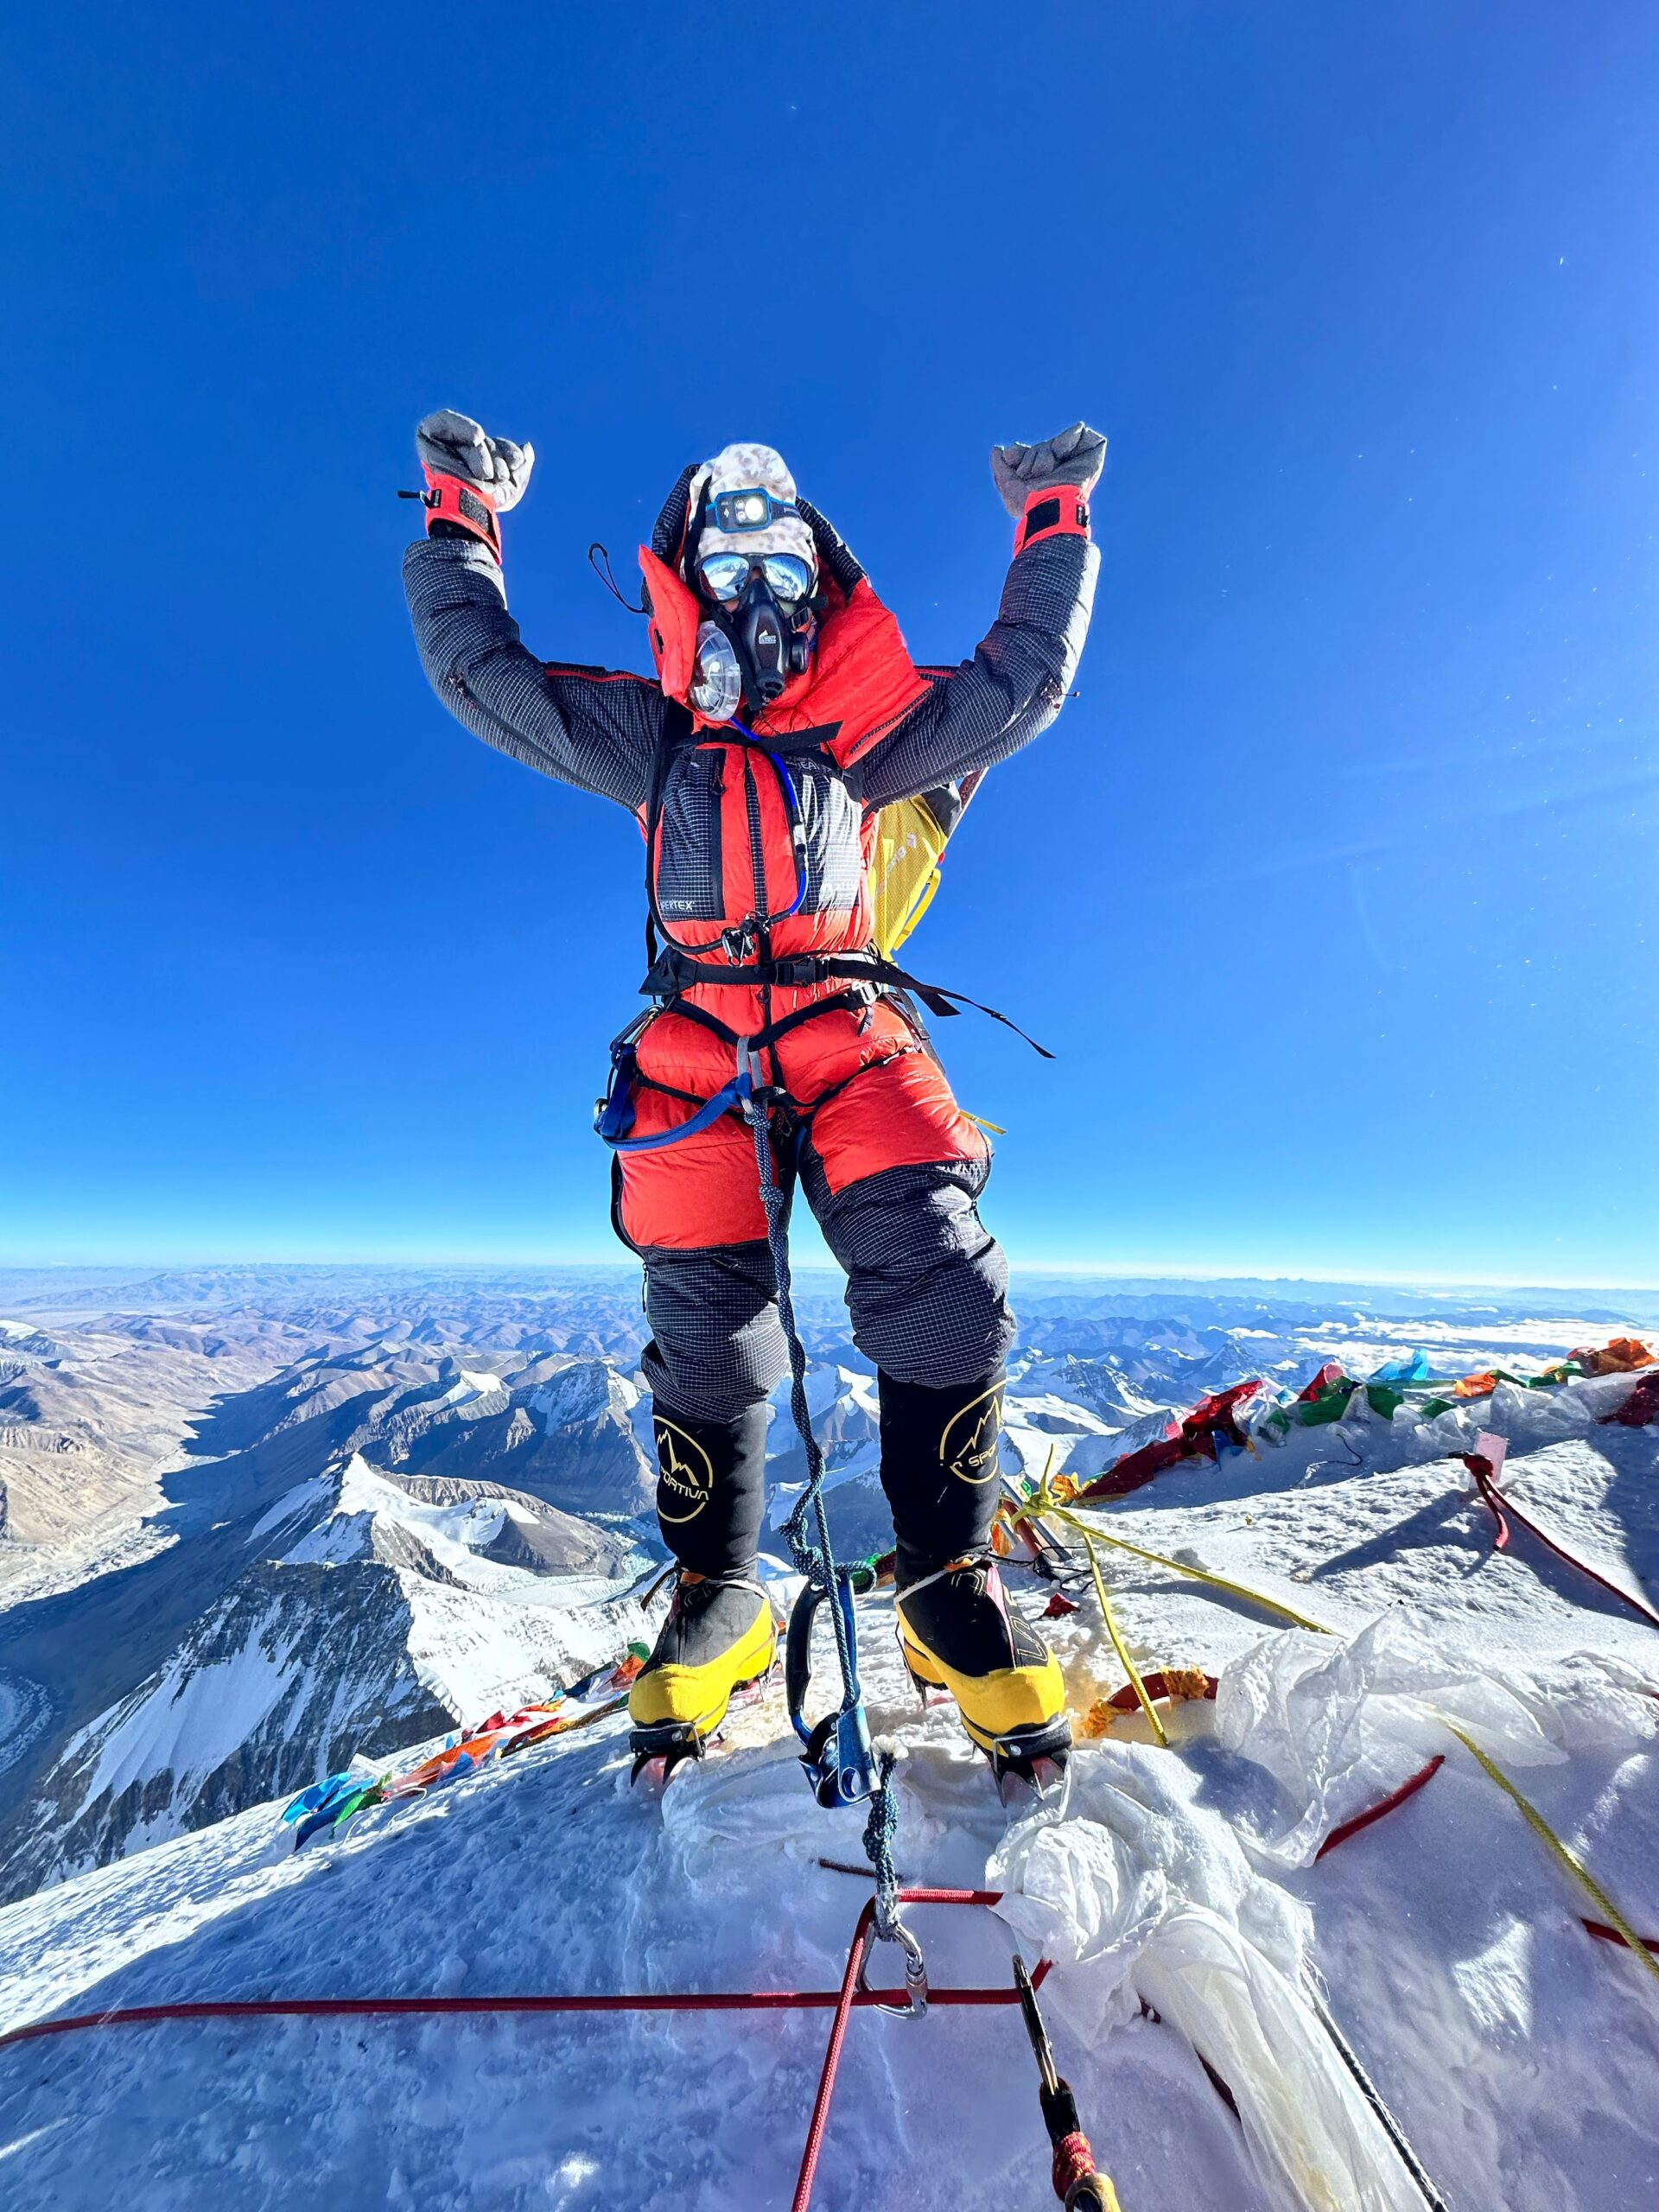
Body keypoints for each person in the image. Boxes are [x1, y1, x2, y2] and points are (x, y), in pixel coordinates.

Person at [404, 413, 1102, 1783]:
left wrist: (1056, 518)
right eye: (732, 570)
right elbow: (481, 675)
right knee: (708, 1333)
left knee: (946, 1283)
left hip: (840, 1031)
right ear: (687, 582)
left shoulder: (866, 730)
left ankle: (946, 1584)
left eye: (783, 572)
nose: (759, 601)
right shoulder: (653, 734)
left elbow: (1023, 685)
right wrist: (459, 518)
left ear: (823, 583)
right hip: (703, 1048)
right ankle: (715, 1597)